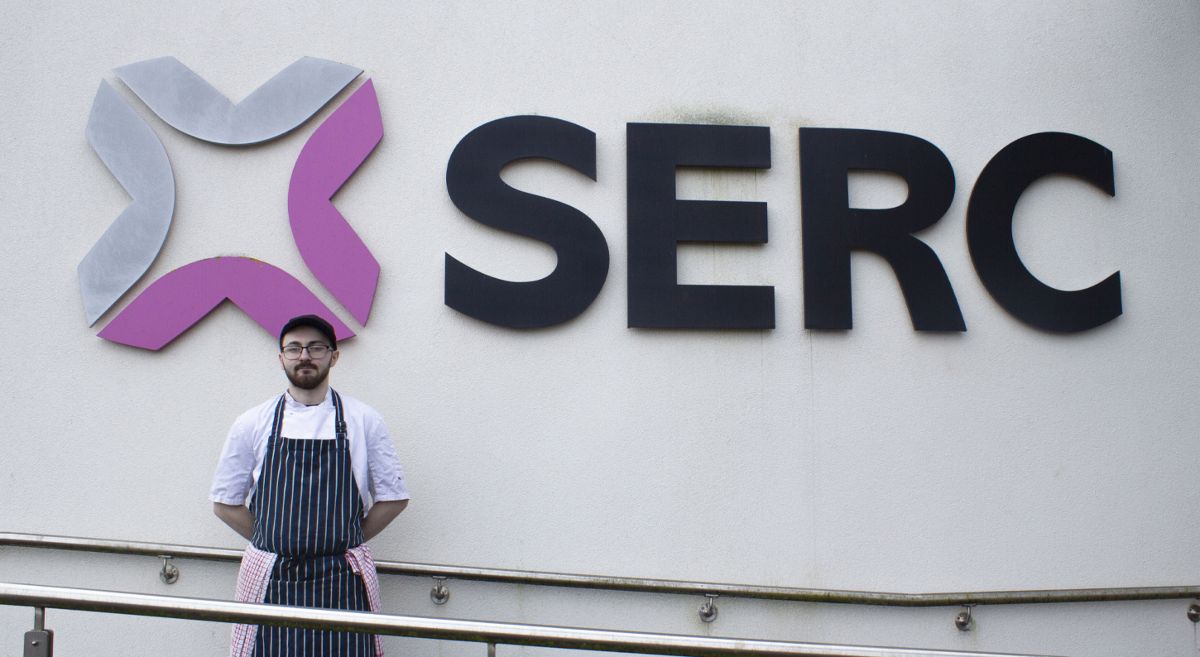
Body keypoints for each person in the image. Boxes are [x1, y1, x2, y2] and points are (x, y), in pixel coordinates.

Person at [210, 314, 410, 657]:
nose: (304, 356)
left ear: (334, 356)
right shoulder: (252, 422)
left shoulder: (363, 420)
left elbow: (394, 498)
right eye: (294, 348)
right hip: (272, 581)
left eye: (316, 347)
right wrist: (272, 540)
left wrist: (347, 538)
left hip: (342, 582)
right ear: (281, 357)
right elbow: (224, 503)